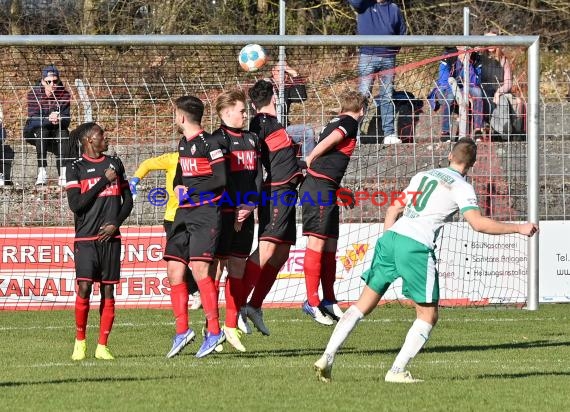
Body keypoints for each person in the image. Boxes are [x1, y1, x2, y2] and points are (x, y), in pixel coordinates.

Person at [313, 138, 539, 383]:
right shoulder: (462, 187)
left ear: (450, 156)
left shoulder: (424, 175)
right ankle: (396, 371)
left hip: (391, 239)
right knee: (428, 315)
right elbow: (478, 224)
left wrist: (388, 239)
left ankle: (327, 356)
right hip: (416, 246)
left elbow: (392, 210)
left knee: (361, 305)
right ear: (471, 164)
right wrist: (518, 228)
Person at [162, 95, 227, 359]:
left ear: (181, 116)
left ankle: (214, 331)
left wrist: (191, 189)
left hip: (205, 212)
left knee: (200, 269)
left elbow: (220, 178)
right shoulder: (182, 144)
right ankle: (182, 331)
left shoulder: (210, 142)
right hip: (182, 213)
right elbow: (181, 173)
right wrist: (178, 184)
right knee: (174, 269)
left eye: (174, 114)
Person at [239, 79, 303, 336]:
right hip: (275, 191)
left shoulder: (275, 125)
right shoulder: (260, 123)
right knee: (265, 251)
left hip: (288, 191)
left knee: (281, 254)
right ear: (275, 96)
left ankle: (254, 306)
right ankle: (235, 308)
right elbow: (254, 159)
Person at [66, 122, 134, 361]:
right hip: (85, 238)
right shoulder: (75, 168)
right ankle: (80, 342)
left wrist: (116, 223)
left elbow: (128, 201)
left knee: (108, 290)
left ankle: (103, 345)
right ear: (89, 141)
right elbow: (76, 205)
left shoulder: (115, 163)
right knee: (84, 287)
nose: (106, 138)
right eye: (101, 135)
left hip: (111, 238)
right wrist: (104, 181)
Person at [300, 90, 366, 325]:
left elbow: (330, 158)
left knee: (329, 244)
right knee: (317, 243)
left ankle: (329, 298)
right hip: (318, 187)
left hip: (325, 187)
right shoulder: (349, 122)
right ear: (363, 110)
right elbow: (333, 140)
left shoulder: (336, 120)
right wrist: (310, 157)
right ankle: (311, 300)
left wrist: (337, 189)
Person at [211, 89, 262, 352]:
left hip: (246, 211)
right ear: (226, 111)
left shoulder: (252, 139)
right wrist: (234, 207)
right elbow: (220, 179)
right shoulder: (216, 141)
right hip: (224, 214)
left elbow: (256, 177)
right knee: (217, 271)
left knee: (238, 270)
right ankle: (213, 329)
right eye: (242, 111)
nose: (246, 115)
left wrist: (250, 204)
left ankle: (231, 326)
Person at [129, 152, 202, 310]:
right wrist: (135, 179)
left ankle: (206, 291)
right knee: (176, 260)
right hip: (173, 219)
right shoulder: (172, 159)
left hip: (198, 216)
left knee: (198, 259)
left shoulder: (202, 159)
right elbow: (148, 163)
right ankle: (196, 291)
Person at [348, 0, 407, 145]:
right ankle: (354, 133)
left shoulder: (394, 9)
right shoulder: (365, 4)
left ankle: (389, 133)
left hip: (389, 57)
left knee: (387, 95)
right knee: (363, 95)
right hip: (367, 55)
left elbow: (402, 31)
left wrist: (392, 50)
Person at [24, 65, 74, 186]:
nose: (52, 84)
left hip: (57, 129)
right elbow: (33, 118)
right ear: (42, 81)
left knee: (64, 133)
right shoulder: (33, 94)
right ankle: (42, 171)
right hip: (35, 130)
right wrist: (49, 119)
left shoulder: (64, 95)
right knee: (43, 132)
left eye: (55, 81)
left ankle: (63, 173)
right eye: (49, 81)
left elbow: (67, 120)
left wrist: (60, 118)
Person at [270, 62, 314, 159]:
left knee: (308, 131)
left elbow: (301, 97)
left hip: (284, 128)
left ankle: (307, 163)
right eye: (280, 71)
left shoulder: (286, 87)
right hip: (269, 129)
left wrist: (294, 74)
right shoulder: (266, 85)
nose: (283, 74)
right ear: (273, 71)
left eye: (286, 72)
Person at [448, 46, 485, 139]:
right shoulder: (454, 62)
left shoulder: (472, 62)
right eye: (464, 51)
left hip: (471, 87)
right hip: (456, 88)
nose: (467, 54)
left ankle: (477, 129)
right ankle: (457, 133)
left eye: (469, 52)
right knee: (462, 101)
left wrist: (468, 64)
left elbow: (475, 81)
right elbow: (450, 80)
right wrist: (465, 92)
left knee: (478, 92)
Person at [428, 46, 459, 142]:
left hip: (460, 86)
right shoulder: (447, 58)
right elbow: (444, 80)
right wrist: (454, 90)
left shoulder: (470, 58)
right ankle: (445, 132)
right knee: (447, 99)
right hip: (446, 87)